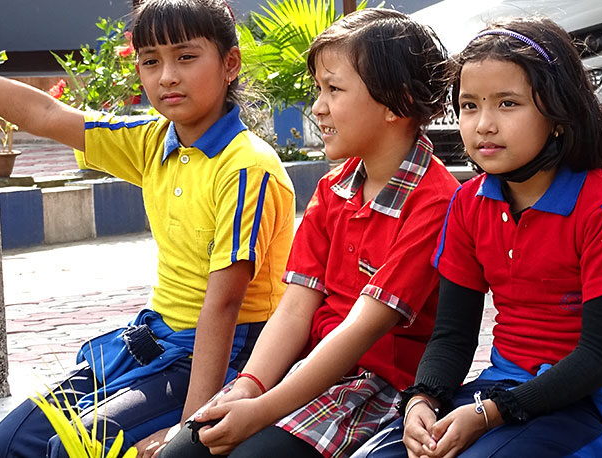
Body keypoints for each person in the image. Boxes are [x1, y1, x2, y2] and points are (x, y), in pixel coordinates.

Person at [0, 0, 295, 456]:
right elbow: (43, 115)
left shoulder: (246, 167)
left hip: (224, 352)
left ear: (230, 63)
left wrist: (187, 434)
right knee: (3, 444)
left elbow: (223, 305)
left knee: (73, 448)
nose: (166, 76)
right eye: (150, 61)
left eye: (186, 57)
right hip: (150, 339)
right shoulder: (151, 141)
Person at [352, 17, 602, 458]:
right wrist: (423, 398)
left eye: (508, 104)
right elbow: (453, 335)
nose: (483, 125)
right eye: (470, 105)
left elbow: (598, 358)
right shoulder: (468, 204)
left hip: (596, 404)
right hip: (502, 388)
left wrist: (490, 414)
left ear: (558, 113)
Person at [158, 8, 458, 458]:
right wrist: (248, 387)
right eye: (319, 89)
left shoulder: (436, 202)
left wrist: (261, 412)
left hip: (375, 390)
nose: (317, 107)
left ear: (396, 103)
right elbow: (296, 309)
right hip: (303, 371)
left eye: (333, 90)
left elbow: (360, 331)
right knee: (184, 451)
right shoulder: (333, 187)